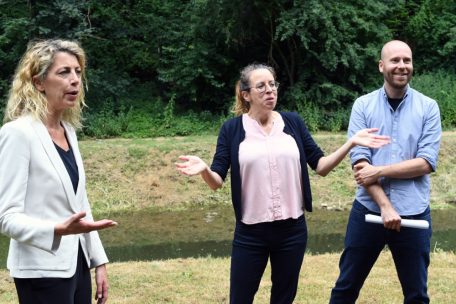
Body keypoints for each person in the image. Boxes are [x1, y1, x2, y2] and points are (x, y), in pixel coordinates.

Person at [175, 63, 390, 304]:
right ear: (246, 95)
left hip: (292, 231)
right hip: (250, 233)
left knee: (283, 298)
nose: (270, 91)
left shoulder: (293, 122)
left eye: (272, 84)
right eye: (261, 86)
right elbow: (216, 182)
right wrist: (205, 169)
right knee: (240, 298)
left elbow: (321, 166)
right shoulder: (232, 129)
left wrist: (351, 143)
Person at [0, 39, 118, 304]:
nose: (75, 80)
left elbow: (80, 204)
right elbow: (6, 217)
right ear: (38, 82)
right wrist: (55, 229)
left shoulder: (69, 132)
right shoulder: (18, 133)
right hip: (40, 270)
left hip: (76, 263)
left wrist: (98, 261)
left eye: (77, 72)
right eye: (63, 72)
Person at [329, 40, 442, 303]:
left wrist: (379, 170)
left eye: (407, 60)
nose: (402, 66)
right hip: (367, 211)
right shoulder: (363, 106)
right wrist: (385, 206)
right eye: (395, 60)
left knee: (416, 295)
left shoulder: (428, 107)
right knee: (345, 289)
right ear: (382, 66)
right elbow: (360, 165)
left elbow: (426, 162)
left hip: (413, 213)